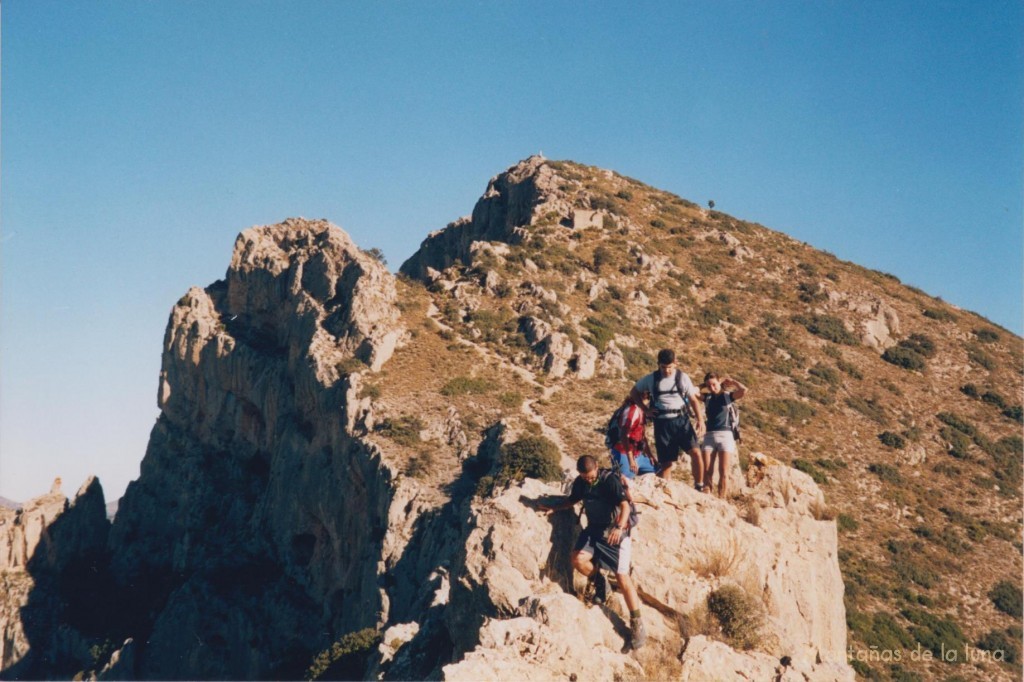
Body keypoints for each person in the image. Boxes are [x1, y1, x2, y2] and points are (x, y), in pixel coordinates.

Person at [538, 455, 647, 649]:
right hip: (595, 529)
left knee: (622, 577)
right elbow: (572, 500)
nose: (588, 479)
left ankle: (637, 623)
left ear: (596, 466)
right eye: (584, 477)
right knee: (577, 559)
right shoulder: (581, 482)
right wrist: (554, 508)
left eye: (590, 476)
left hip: (615, 532)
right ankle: (600, 582)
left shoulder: (609, 481)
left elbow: (624, 506)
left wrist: (619, 528)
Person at [629, 349, 707, 489]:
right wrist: (645, 409)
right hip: (662, 423)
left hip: (681, 421)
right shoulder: (651, 379)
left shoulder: (682, 378)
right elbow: (634, 392)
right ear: (658, 364)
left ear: (675, 364)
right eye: (663, 367)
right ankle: (665, 489)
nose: (667, 371)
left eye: (670, 367)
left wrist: (700, 420)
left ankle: (699, 486)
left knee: (695, 452)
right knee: (666, 463)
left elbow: (693, 400)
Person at [700, 372, 747, 498]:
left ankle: (722, 499)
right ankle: (707, 496)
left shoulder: (727, 396)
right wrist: (703, 385)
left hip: (725, 436)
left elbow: (744, 390)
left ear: (719, 382)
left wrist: (733, 382)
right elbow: (690, 391)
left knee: (723, 472)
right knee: (707, 470)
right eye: (709, 386)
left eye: (714, 384)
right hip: (709, 435)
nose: (712, 388)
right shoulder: (707, 397)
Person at [610, 392, 658, 479]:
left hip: (637, 454)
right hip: (624, 454)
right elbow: (623, 435)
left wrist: (650, 455)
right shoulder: (632, 411)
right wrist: (631, 460)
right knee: (624, 481)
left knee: (657, 469)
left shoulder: (641, 411)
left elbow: (642, 436)